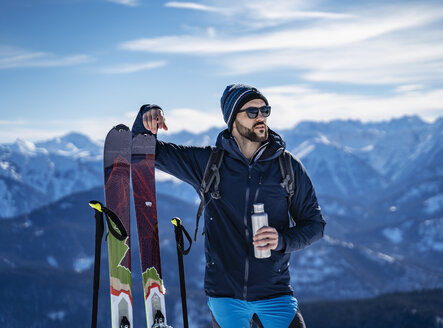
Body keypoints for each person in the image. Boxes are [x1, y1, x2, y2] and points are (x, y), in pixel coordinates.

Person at [132, 84, 326, 328]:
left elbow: (315, 226)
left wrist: (282, 239)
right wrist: (147, 116)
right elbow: (141, 151)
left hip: (275, 294)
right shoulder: (208, 163)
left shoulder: (288, 167)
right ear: (233, 118)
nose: (261, 118)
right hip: (225, 296)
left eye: (265, 110)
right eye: (252, 112)